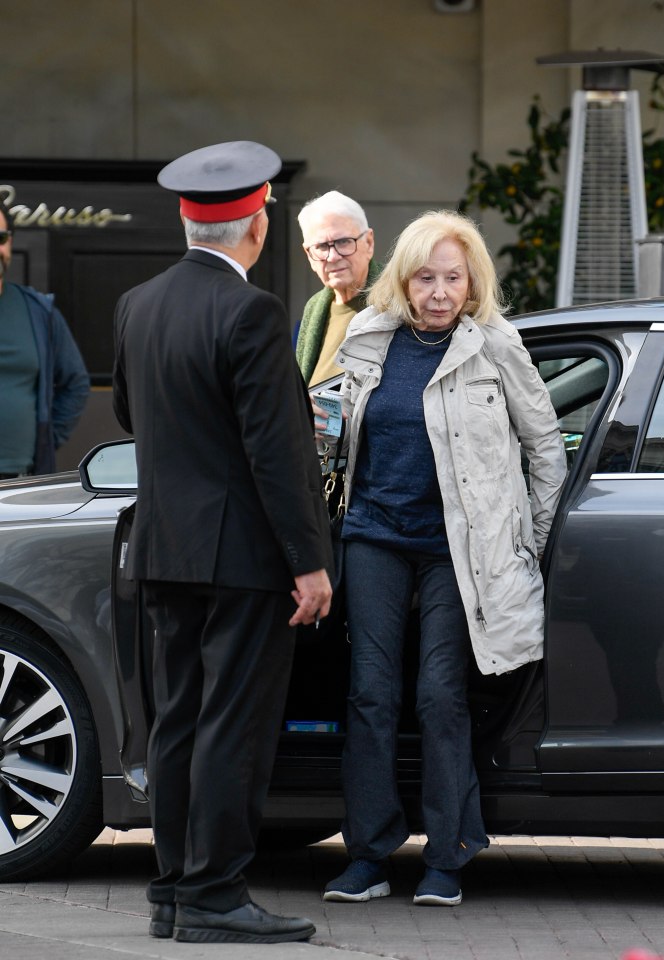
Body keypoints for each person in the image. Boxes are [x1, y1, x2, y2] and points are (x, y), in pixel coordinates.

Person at [112, 141, 333, 945]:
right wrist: (309, 563)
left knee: (176, 721)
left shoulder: (137, 302)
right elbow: (278, 454)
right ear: (257, 225)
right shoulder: (254, 312)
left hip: (165, 551)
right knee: (232, 726)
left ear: (185, 217)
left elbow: (134, 416)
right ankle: (213, 895)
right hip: (241, 558)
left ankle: (173, 890)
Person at [321, 210, 567, 907]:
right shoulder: (370, 339)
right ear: (403, 279)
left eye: (451, 278)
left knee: (439, 695)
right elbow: (336, 438)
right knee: (369, 695)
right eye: (425, 277)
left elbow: (545, 449)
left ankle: (448, 856)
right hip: (373, 535)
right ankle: (366, 856)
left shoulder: (495, 345)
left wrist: (529, 546)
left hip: (458, 552)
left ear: (472, 281)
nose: (437, 292)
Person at [0, 207, 89, 477]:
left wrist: (45, 439)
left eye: (1, 238)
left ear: (11, 241)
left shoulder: (38, 311)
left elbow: (75, 383)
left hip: (19, 483)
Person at [295, 190, 376, 386]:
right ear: (309, 255)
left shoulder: (396, 302)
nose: (333, 256)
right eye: (322, 246)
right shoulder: (314, 307)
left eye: (343, 242)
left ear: (369, 243)